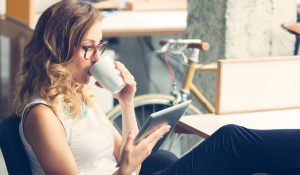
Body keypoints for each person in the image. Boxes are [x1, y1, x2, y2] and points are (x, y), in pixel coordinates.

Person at [12, 1, 300, 175]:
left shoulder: (79, 98)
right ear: (57, 50)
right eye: (87, 48)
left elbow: (126, 152)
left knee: (232, 153)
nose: (97, 57)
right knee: (231, 141)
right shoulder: (43, 116)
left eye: (99, 46)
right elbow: (126, 163)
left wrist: (126, 101)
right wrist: (126, 168)